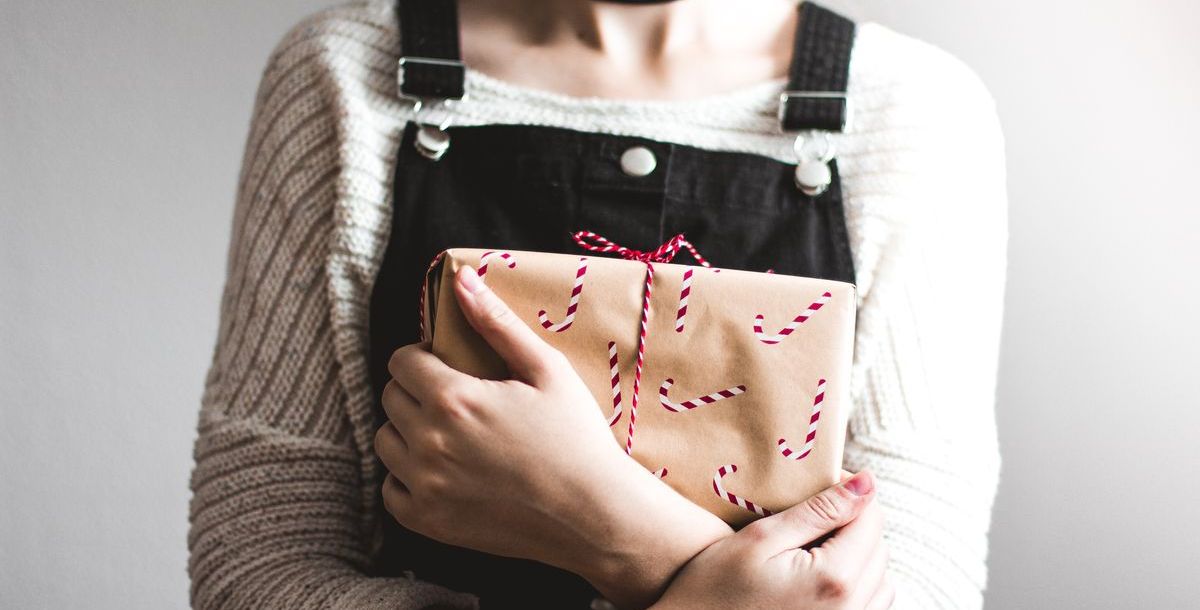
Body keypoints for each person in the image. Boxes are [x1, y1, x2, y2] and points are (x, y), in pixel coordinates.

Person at [187, 0, 1007, 608]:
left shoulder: (913, 112)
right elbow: (252, 573)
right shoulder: (344, 76)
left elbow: (922, 587)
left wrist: (605, 525)